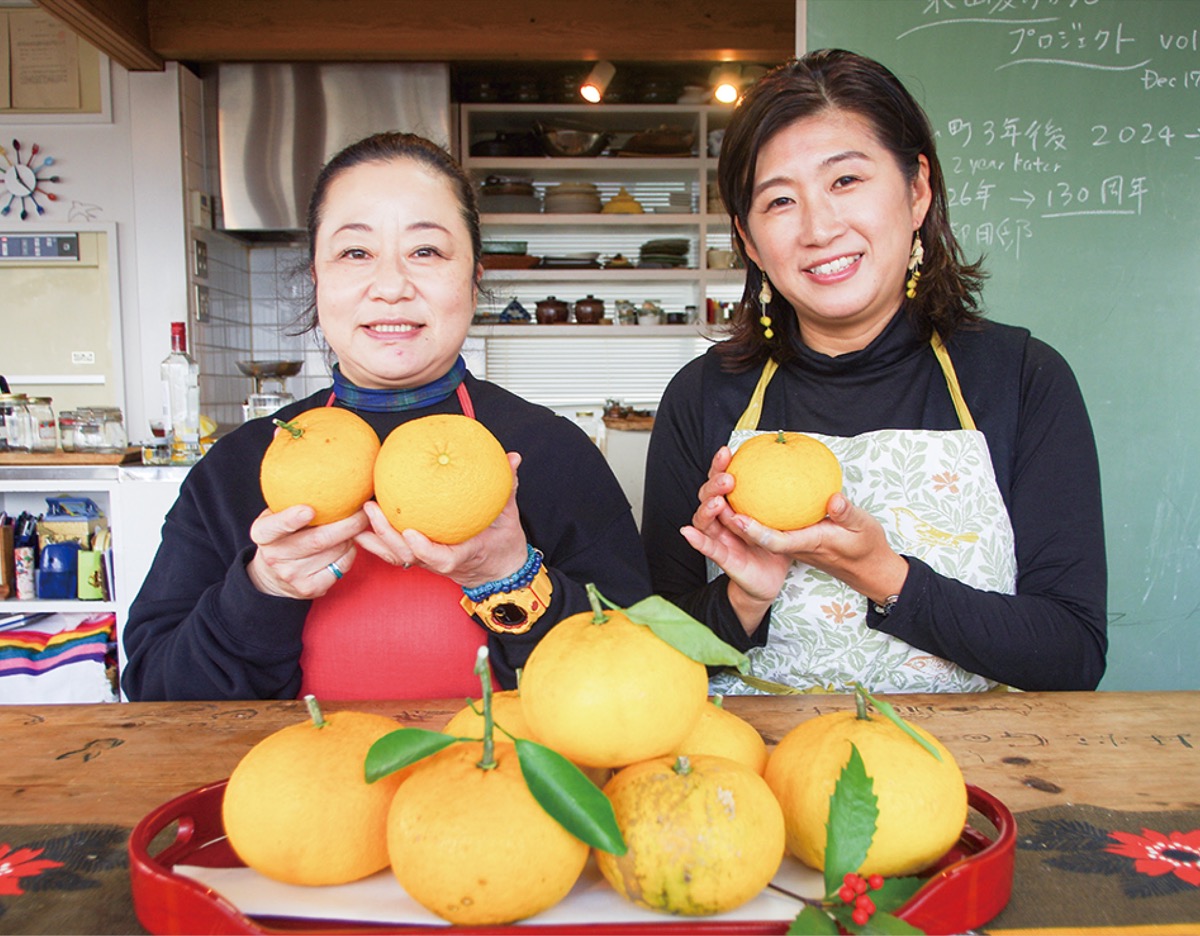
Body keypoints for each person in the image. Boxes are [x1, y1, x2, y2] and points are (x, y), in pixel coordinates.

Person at [122, 132, 651, 701]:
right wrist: (261, 588)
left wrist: (511, 577)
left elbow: (638, 686)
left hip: (503, 787)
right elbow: (157, 695)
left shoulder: (553, 454)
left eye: (426, 252)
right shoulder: (238, 468)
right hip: (294, 787)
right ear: (316, 278)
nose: (392, 287)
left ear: (474, 279)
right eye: (355, 252)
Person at [642, 50, 1107, 694]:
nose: (819, 228)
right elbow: (654, 663)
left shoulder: (1022, 378)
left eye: (846, 181)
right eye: (779, 201)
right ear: (750, 241)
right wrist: (742, 599)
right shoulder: (703, 394)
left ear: (917, 190)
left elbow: (1072, 657)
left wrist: (887, 577)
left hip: (977, 778)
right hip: (756, 780)